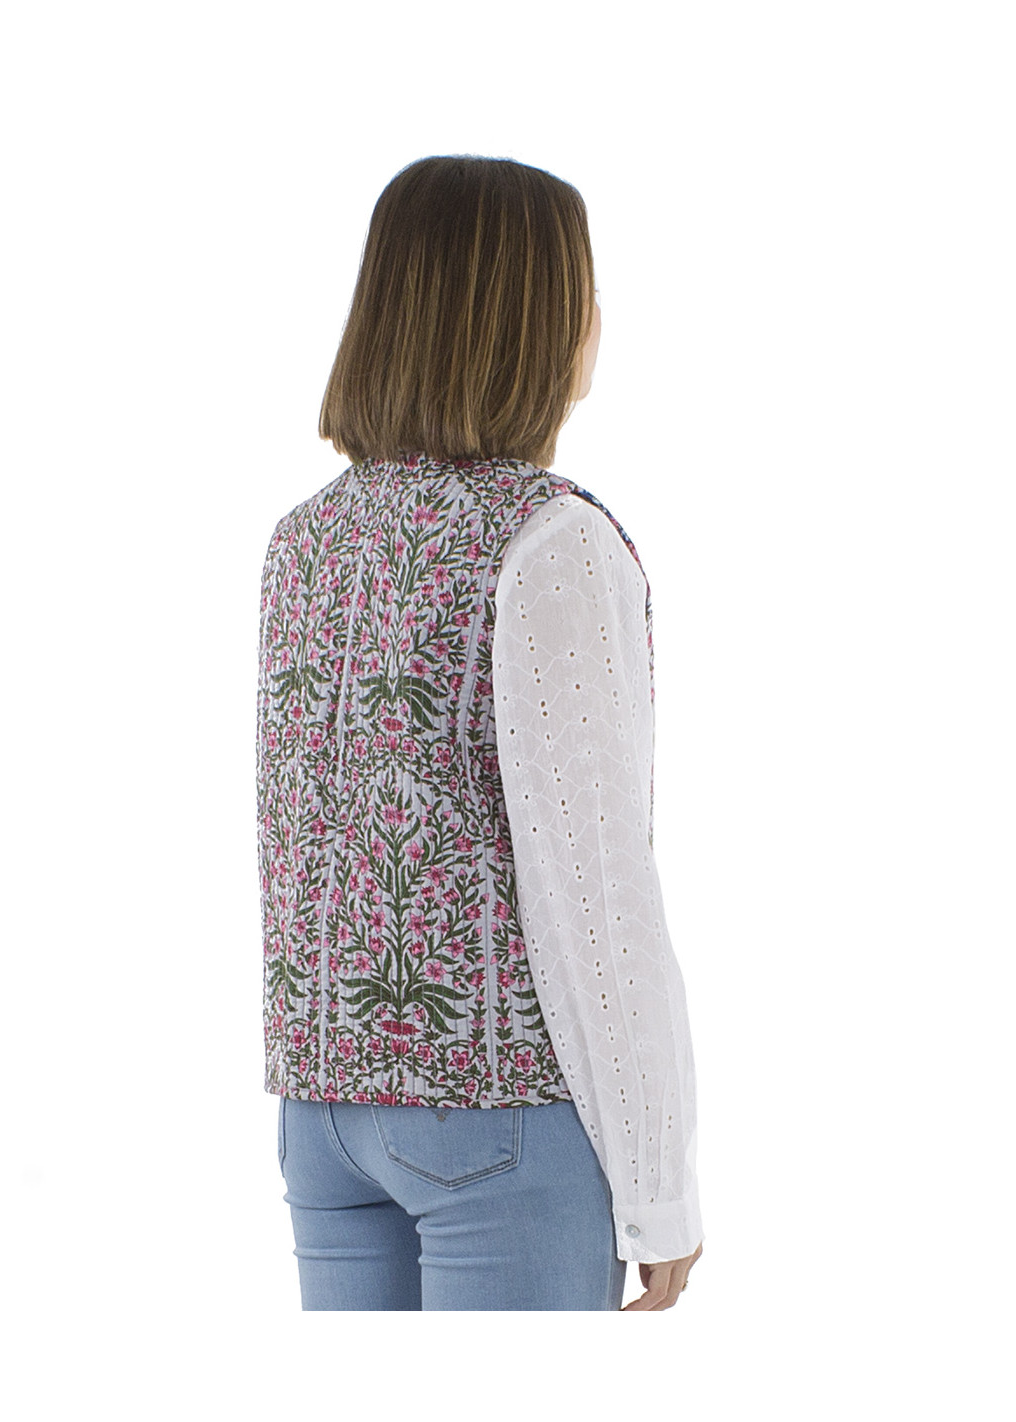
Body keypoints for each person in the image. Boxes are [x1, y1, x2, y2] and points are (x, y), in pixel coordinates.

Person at [257, 154, 705, 1310]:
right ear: (537, 320)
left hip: (322, 1105)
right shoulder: (548, 541)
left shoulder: (305, 540)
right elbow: (592, 884)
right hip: (497, 1117)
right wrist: (658, 1187)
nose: (597, 315)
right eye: (582, 288)